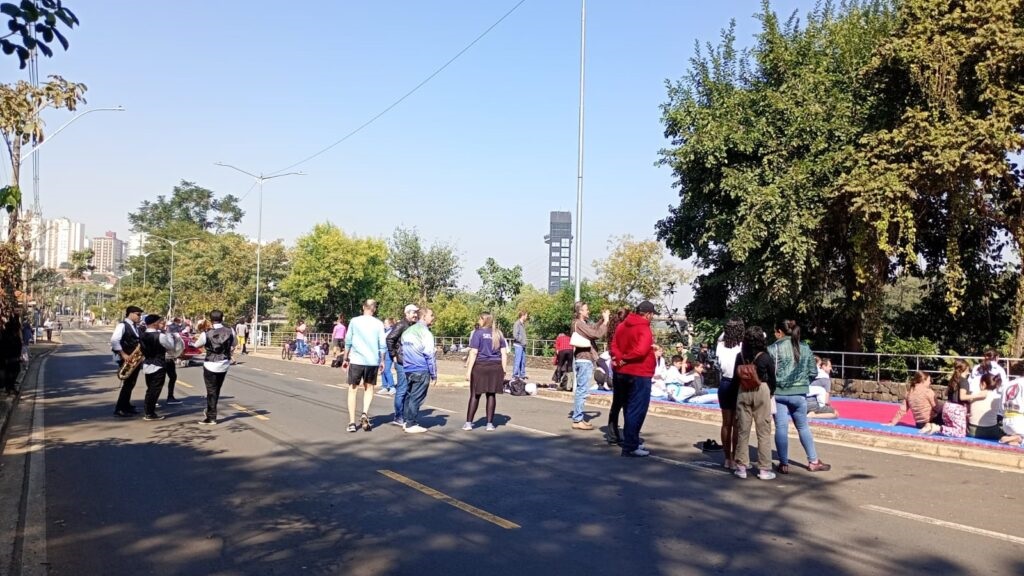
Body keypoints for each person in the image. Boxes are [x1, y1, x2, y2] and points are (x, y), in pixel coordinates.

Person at [768, 319, 831, 473]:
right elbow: (813, 372)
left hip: (779, 393)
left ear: (779, 332)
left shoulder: (773, 348)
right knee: (803, 427)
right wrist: (803, 384)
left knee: (781, 427)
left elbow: (768, 371)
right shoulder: (805, 348)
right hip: (800, 394)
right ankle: (813, 461)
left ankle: (783, 464)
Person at [610, 300, 657, 457]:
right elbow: (641, 350)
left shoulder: (622, 325)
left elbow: (614, 346)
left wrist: (620, 358)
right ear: (648, 314)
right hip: (639, 372)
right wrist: (627, 358)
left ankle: (633, 441)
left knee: (627, 407)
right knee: (636, 409)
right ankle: (630, 445)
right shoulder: (644, 328)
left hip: (621, 372)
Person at [733, 326, 777, 480]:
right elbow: (772, 377)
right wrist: (770, 392)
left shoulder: (741, 356)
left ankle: (741, 467)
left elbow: (735, 377)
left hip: (743, 391)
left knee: (742, 431)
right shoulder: (765, 356)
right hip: (762, 390)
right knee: (763, 432)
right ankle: (764, 469)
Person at [342, 299, 386, 433]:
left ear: (363, 307)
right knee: (369, 388)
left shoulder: (355, 321)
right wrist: (382, 360)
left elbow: (348, 340)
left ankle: (351, 422)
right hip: (372, 361)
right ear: (374, 309)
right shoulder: (378, 323)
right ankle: (365, 413)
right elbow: (382, 344)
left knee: (353, 389)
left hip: (356, 360)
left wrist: (345, 358)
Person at [463, 312, 507, 431]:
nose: (478, 321)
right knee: (491, 394)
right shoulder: (498, 333)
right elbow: (503, 353)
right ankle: (489, 424)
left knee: (475, 394)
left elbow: (473, 352)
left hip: (480, 366)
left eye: (480, 319)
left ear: (484, 320)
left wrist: (468, 370)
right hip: (495, 366)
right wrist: (504, 369)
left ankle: (468, 423)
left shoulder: (478, 333)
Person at [570, 301, 610, 430]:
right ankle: (577, 420)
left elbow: (592, 329)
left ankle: (579, 417)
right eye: (586, 309)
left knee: (582, 390)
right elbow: (595, 334)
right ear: (580, 311)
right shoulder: (579, 324)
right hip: (583, 359)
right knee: (582, 390)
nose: (588, 311)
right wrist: (605, 322)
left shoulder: (582, 324)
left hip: (584, 360)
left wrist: (601, 320)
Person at [193, 310, 236, 425]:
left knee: (211, 391)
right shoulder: (230, 330)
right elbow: (234, 344)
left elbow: (196, 345)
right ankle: (210, 413)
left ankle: (211, 417)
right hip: (224, 363)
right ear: (223, 318)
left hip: (210, 364)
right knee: (217, 389)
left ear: (210, 319)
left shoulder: (206, 333)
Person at [138, 314, 183, 421]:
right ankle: (150, 413)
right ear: (154, 323)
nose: (161, 323)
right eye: (159, 322)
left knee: (150, 389)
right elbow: (171, 347)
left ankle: (148, 410)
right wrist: (169, 336)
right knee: (155, 389)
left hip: (147, 364)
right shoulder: (161, 336)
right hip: (158, 364)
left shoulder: (142, 335)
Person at [400, 308, 437, 433]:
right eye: (431, 315)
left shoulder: (407, 331)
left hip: (408, 368)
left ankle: (406, 421)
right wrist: (434, 374)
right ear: (424, 316)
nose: (433, 317)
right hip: (421, 368)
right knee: (417, 397)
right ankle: (411, 423)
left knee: (409, 395)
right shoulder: (425, 333)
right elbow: (429, 354)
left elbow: (402, 350)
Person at [715, 318, 744, 469]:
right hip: (738, 384)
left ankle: (728, 458)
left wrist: (727, 330)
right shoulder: (742, 346)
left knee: (726, 423)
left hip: (725, 383)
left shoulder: (720, 346)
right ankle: (737, 457)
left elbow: (721, 337)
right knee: (737, 424)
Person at [385, 305, 419, 426]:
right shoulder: (401, 325)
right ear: (407, 313)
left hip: (412, 361)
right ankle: (398, 416)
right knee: (402, 389)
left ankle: (405, 415)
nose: (415, 315)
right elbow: (389, 339)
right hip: (402, 362)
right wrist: (393, 355)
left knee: (409, 389)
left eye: (416, 313)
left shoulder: (415, 326)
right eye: (413, 313)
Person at [111, 306, 145, 417]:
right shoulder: (122, 325)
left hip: (134, 359)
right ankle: (120, 408)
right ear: (130, 314)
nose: (139, 317)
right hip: (126, 358)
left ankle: (126, 405)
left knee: (131, 384)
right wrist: (123, 354)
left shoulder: (136, 327)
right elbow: (115, 340)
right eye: (138, 314)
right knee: (127, 383)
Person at [967, 374, 1003, 439]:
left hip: (972, 430)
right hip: (991, 431)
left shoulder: (974, 394)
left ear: (983, 384)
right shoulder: (997, 397)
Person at [163, 318, 184, 406]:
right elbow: (173, 346)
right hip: (167, 358)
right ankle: (170, 397)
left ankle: (154, 399)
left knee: (161, 379)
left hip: (165, 358)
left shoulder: (163, 333)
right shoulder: (168, 335)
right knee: (171, 377)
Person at [999, 376, 1024, 447]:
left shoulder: (1008, 384)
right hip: (1019, 421)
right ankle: (1019, 438)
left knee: (1014, 444)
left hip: (1006, 422)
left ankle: (1013, 439)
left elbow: (1001, 406)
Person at [1, 317, 22, 395]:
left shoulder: (15, 336)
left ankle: (10, 388)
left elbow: (19, 345)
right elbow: (3, 346)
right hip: (8, 357)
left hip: (14, 356)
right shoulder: (6, 335)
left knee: (15, 371)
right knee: (9, 373)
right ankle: (9, 388)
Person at [380, 318, 396, 394]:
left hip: (388, 352)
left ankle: (392, 386)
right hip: (383, 351)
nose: (384, 324)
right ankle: (384, 386)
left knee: (386, 369)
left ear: (390, 324)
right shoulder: (385, 331)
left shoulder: (391, 332)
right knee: (382, 369)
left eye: (385, 323)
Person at [512, 310, 529, 380]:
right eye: (526, 315)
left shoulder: (522, 324)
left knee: (523, 361)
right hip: (519, 345)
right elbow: (515, 335)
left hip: (523, 345)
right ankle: (515, 375)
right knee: (517, 361)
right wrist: (522, 340)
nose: (527, 317)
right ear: (523, 316)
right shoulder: (517, 324)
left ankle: (522, 375)